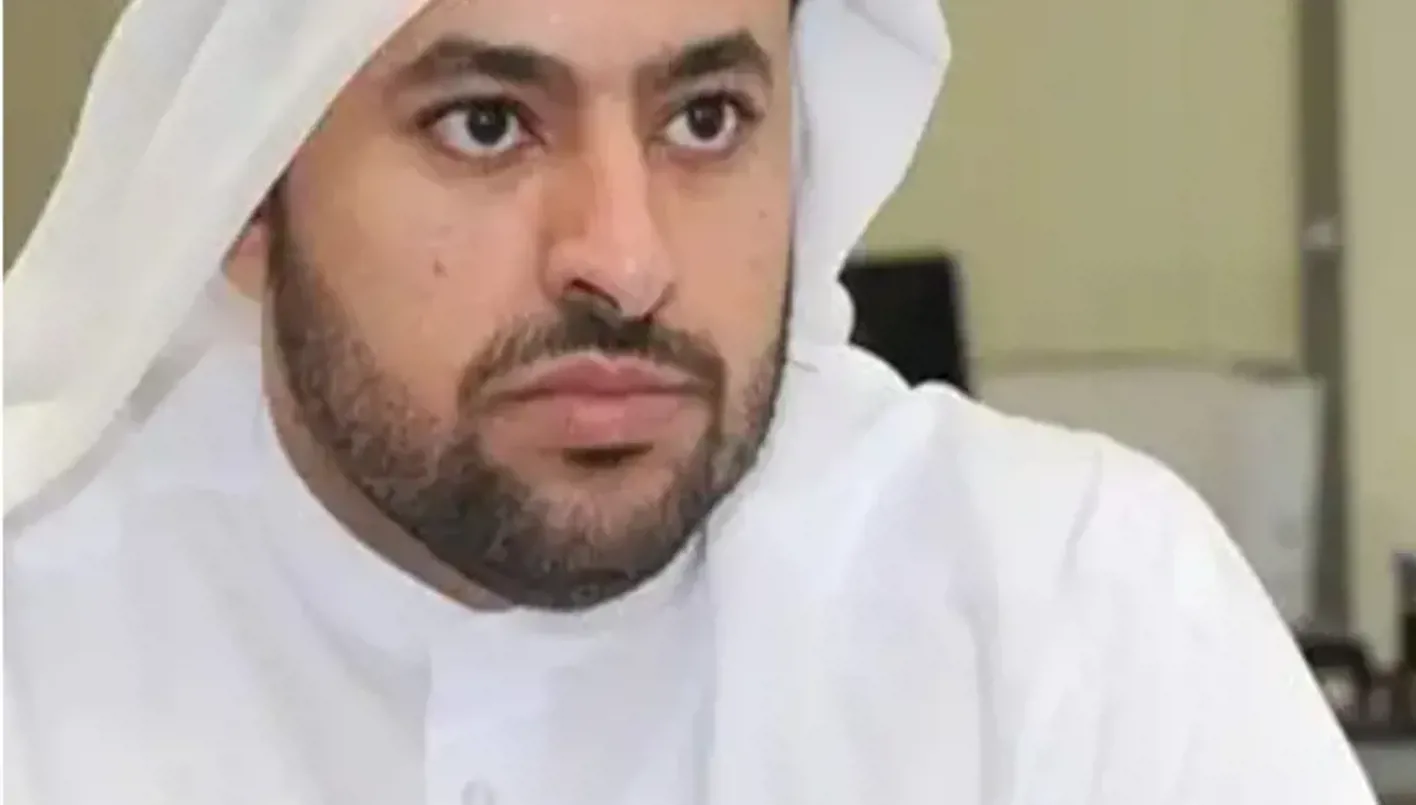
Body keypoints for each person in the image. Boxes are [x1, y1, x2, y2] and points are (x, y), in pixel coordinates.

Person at [1, 0, 1380, 802]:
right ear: (248, 200)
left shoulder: (1074, 610)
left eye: (705, 120)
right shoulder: (37, 651)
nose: (625, 259)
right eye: (487, 123)